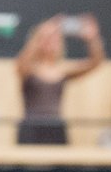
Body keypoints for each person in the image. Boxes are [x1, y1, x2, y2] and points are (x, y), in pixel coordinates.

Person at [14, 14, 103, 145]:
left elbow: (94, 63)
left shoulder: (62, 71)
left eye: (55, 38)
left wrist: (92, 39)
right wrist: (43, 32)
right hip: (31, 126)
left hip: (55, 127)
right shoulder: (29, 69)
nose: (51, 41)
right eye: (47, 38)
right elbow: (20, 64)